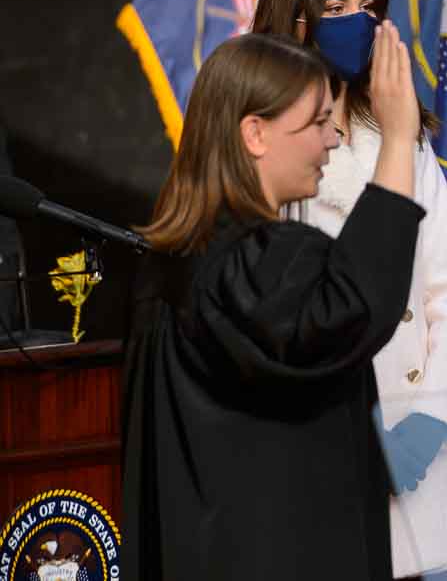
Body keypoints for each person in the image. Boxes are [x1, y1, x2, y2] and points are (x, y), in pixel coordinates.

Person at [122, 29, 424, 580]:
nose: (332, 139)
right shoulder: (249, 263)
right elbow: (352, 308)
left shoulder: (181, 257)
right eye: (316, 122)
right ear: (255, 134)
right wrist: (399, 140)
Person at [249, 0, 447, 576]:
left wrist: (429, 425)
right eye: (335, 6)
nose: (357, 21)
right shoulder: (258, 140)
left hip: (418, 449)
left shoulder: (401, 133)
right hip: (321, 452)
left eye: (367, 6)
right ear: (295, 19)